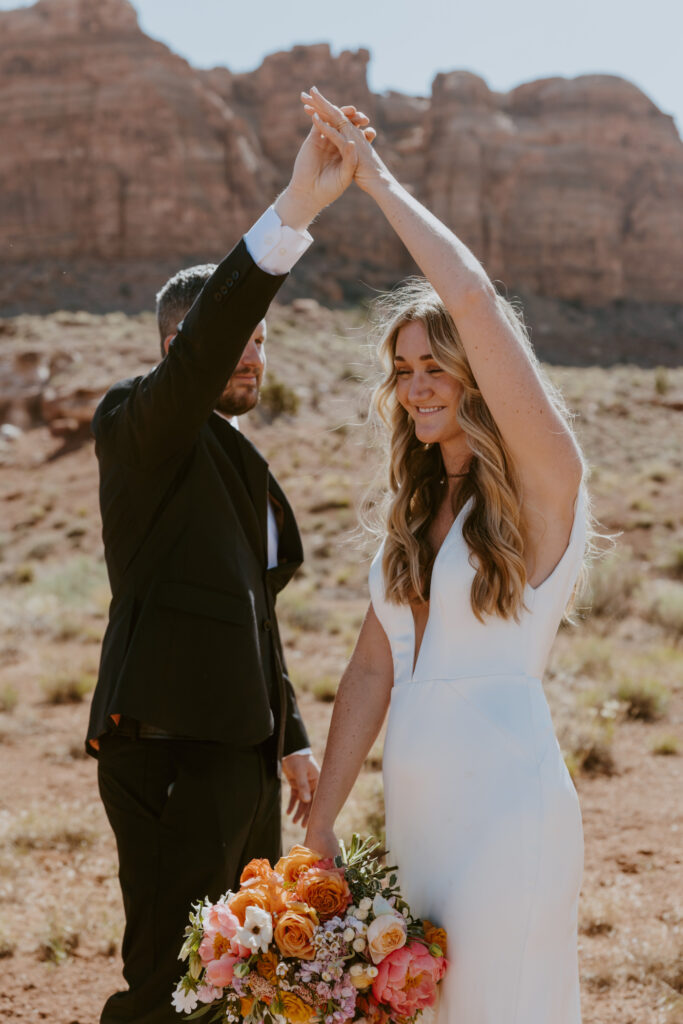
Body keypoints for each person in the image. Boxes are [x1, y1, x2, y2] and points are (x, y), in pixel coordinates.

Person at [302, 88, 588, 1024]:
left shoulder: (545, 487)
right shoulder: (413, 515)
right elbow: (368, 668)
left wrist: (374, 182)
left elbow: (467, 295)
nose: (416, 387)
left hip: (509, 815)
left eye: (437, 366)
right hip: (415, 824)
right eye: (404, 370)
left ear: (480, 375)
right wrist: (319, 823)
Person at [87, 104, 376, 1024]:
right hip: (167, 749)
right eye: (237, 340)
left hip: (239, 759)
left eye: (262, 344)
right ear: (180, 348)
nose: (254, 355)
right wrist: (293, 210)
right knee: (170, 987)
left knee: (245, 976)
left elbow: (250, 608)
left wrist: (285, 733)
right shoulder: (139, 424)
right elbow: (213, 333)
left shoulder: (236, 460)